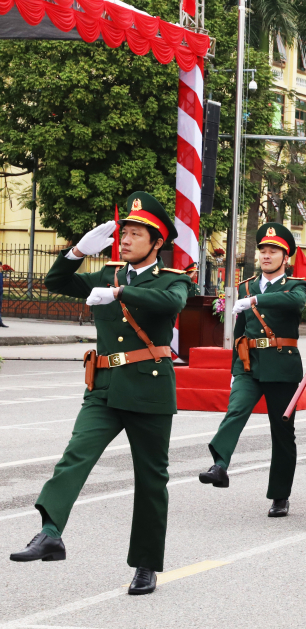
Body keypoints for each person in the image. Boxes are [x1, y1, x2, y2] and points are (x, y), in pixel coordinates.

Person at [10, 193, 190, 595]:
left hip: (150, 389)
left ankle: (145, 564)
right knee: (76, 455)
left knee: (150, 479)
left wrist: (121, 294)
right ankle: (51, 532)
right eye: (122, 233)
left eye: (135, 234)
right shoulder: (106, 275)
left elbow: (171, 303)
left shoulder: (172, 279)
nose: (124, 240)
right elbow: (55, 282)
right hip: (104, 388)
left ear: (157, 242)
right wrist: (76, 252)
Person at [198, 223, 306, 518]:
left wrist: (256, 300)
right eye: (263, 250)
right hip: (250, 364)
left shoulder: (296, 285)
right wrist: (235, 368)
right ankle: (219, 465)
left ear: (286, 257)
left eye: (274, 251)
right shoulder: (246, 285)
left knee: (282, 433)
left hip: (283, 367)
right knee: (236, 409)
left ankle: (280, 496)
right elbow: (239, 333)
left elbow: (295, 303)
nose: (267, 255)